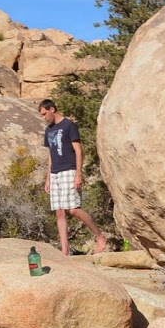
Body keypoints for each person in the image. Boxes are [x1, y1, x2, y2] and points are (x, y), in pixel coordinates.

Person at [38, 98, 109, 256]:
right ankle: (65, 250)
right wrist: (48, 177)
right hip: (55, 172)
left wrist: (78, 173)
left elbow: (78, 150)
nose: (44, 118)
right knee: (59, 212)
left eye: (44, 114)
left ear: (52, 109)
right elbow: (50, 154)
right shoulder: (49, 130)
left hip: (69, 170)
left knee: (74, 209)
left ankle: (100, 236)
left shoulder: (69, 125)